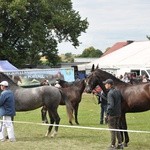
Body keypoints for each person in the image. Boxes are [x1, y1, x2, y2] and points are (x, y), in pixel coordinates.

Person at [103, 79, 123, 150]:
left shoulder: (110, 93)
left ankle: (112, 145)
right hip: (118, 113)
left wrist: (107, 114)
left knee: (112, 130)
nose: (105, 85)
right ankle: (120, 144)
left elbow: (111, 105)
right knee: (117, 129)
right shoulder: (117, 91)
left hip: (112, 114)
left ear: (109, 84)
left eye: (106, 84)